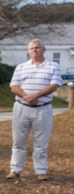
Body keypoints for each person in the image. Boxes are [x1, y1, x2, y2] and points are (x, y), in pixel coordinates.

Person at [8, 39, 61, 181]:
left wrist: (36, 95)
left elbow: (54, 85)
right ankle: (15, 169)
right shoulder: (21, 67)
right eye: (31, 48)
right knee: (18, 141)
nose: (34, 50)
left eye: (37, 48)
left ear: (44, 50)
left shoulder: (53, 66)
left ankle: (40, 171)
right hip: (22, 108)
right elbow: (14, 86)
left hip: (43, 109)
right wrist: (27, 97)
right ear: (28, 51)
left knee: (41, 143)